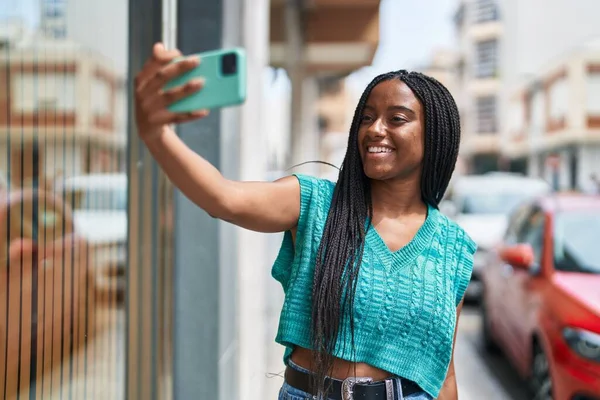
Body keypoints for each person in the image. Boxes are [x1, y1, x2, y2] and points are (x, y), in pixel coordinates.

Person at [134, 43, 476, 400]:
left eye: (397, 119)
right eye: (366, 117)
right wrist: (156, 135)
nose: (374, 129)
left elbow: (443, 371)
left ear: (434, 135)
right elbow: (222, 198)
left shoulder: (453, 246)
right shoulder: (315, 203)